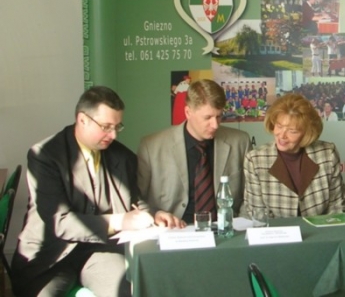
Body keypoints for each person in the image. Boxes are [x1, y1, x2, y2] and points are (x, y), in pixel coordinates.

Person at [12, 86, 184, 297]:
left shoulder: (123, 157)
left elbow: (133, 201)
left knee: (127, 291)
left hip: (99, 250)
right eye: (106, 127)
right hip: (51, 254)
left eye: (117, 127)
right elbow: (59, 221)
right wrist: (120, 221)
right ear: (82, 119)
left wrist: (155, 214)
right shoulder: (46, 156)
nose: (113, 135)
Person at [138, 79, 251, 222]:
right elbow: (137, 198)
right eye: (207, 117)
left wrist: (241, 224)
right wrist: (155, 215)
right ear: (188, 112)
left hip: (227, 227)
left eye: (219, 116)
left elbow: (251, 195)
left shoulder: (240, 142)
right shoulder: (152, 147)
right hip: (174, 228)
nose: (215, 125)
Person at [243, 93, 345, 218]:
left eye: (292, 131)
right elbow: (258, 215)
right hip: (275, 230)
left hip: (321, 228)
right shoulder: (255, 160)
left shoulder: (327, 154)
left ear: (307, 133)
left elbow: (337, 207)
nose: (282, 136)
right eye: (279, 126)